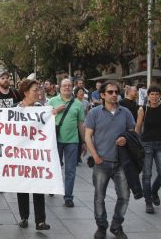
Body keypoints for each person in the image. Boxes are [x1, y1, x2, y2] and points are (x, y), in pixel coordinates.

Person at [85, 81, 135, 239]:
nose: (114, 94)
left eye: (116, 92)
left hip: (121, 163)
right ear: (102, 95)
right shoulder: (94, 113)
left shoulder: (126, 112)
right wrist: (95, 157)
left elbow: (133, 134)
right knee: (99, 197)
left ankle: (116, 226)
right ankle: (101, 226)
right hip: (102, 162)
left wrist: (126, 139)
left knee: (125, 197)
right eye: (111, 92)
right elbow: (87, 136)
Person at [15, 79, 50, 231]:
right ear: (25, 92)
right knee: (22, 186)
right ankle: (24, 217)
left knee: (38, 186)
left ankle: (40, 221)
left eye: (39, 90)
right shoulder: (16, 110)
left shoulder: (41, 109)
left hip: (36, 154)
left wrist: (52, 114)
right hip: (20, 154)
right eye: (35, 90)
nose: (39, 92)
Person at [48, 78, 85, 207]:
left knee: (70, 170)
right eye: (64, 85)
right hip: (55, 140)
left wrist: (84, 142)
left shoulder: (78, 104)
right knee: (53, 167)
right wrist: (55, 111)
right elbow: (44, 118)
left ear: (72, 87)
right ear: (60, 88)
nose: (67, 87)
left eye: (69, 85)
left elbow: (81, 124)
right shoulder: (52, 101)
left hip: (72, 141)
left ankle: (68, 196)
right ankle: (52, 187)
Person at [135, 86, 161, 214]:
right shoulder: (143, 109)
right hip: (146, 144)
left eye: (157, 94)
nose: (154, 96)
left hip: (160, 144)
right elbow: (138, 127)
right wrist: (135, 142)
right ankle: (148, 202)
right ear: (148, 96)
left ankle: (154, 190)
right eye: (152, 94)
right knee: (147, 175)